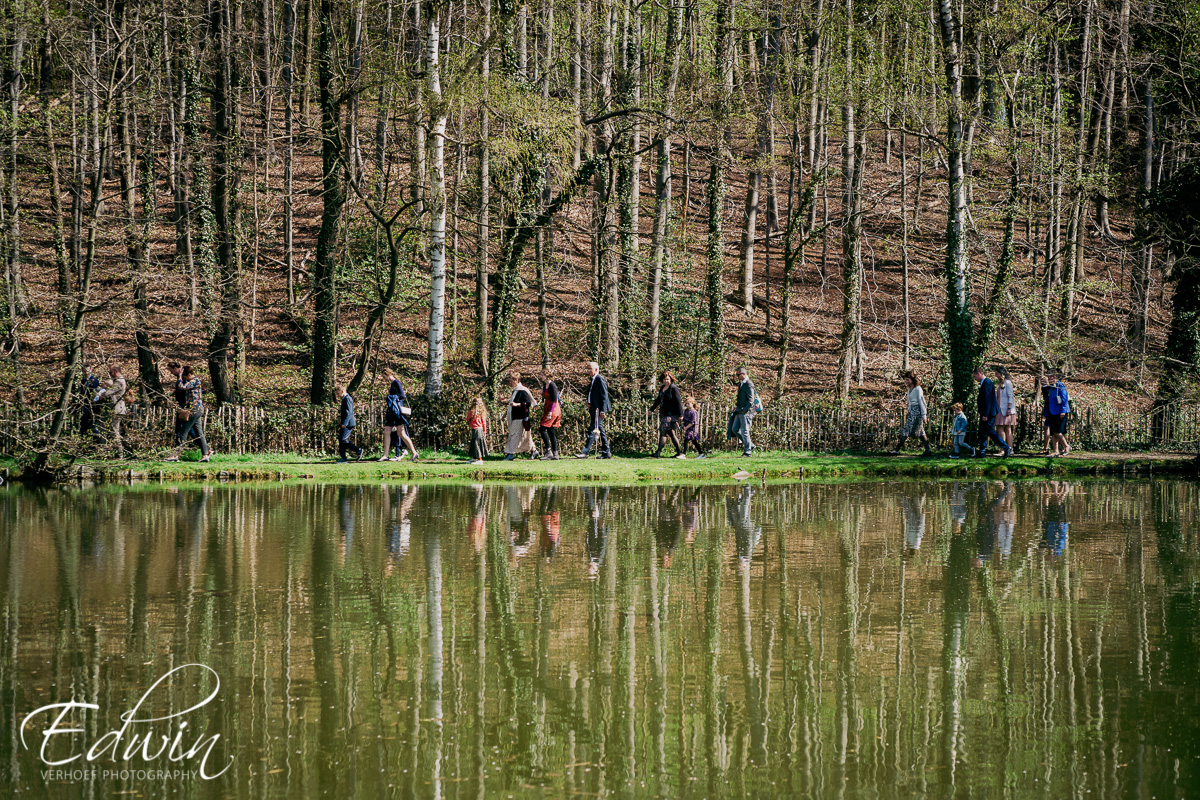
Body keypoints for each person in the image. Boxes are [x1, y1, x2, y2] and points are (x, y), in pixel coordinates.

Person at [166, 364, 211, 462]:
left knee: (183, 432)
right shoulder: (194, 381)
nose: (185, 378)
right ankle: (205, 454)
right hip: (197, 409)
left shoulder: (195, 381)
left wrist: (179, 376)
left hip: (194, 410)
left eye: (185, 377)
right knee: (199, 433)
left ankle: (175, 455)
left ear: (189, 375)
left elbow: (182, 387)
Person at [888, 370, 932, 456]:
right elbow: (909, 402)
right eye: (906, 379)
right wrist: (908, 411)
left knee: (907, 429)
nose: (906, 381)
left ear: (912, 379)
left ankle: (896, 449)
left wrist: (924, 415)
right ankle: (928, 450)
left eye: (908, 379)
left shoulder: (918, 389)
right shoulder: (909, 389)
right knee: (920, 431)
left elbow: (922, 402)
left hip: (917, 411)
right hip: (912, 410)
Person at [973, 366, 1013, 458]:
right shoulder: (986, 383)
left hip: (988, 413)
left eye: (975, 376)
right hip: (986, 412)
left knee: (990, 431)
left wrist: (985, 414)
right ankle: (982, 451)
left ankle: (1006, 447)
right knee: (982, 432)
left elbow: (988, 400)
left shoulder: (987, 383)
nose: (975, 379)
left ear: (978, 373)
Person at [381, 367, 418, 462]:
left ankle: (414, 453)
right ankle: (385, 455)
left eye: (384, 376)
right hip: (392, 411)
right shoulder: (392, 384)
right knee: (387, 432)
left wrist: (392, 397)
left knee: (401, 433)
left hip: (397, 412)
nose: (383, 378)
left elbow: (402, 395)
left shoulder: (396, 382)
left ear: (388, 374)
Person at [577, 361, 612, 459]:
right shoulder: (593, 379)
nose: (588, 371)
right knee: (600, 429)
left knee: (593, 429)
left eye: (590, 369)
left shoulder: (599, 379)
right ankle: (606, 452)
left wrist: (603, 410)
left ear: (596, 369)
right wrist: (588, 401)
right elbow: (591, 393)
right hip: (593, 407)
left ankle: (585, 452)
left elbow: (604, 395)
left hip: (598, 409)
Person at [649, 370, 685, 458]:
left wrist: (681, 415)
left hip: (671, 414)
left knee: (663, 432)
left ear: (671, 379)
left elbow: (678, 402)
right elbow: (658, 400)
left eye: (668, 379)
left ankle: (658, 452)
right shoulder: (662, 388)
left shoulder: (673, 388)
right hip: (664, 414)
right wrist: (652, 409)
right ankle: (679, 452)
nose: (666, 381)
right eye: (664, 379)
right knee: (671, 433)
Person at [503, 371, 538, 460]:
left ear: (516, 380)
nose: (510, 382)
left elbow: (528, 403)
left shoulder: (522, 391)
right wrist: (505, 414)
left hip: (521, 417)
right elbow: (510, 405)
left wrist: (517, 405)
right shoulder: (515, 391)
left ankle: (511, 453)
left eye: (511, 380)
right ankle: (533, 450)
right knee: (526, 436)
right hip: (515, 416)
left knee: (514, 435)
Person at [98, 364, 129, 455]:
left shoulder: (119, 381)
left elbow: (108, 393)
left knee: (114, 432)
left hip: (116, 410)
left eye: (110, 372)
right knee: (108, 430)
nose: (109, 374)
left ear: (115, 371)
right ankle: (107, 452)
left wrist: (103, 391)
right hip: (113, 409)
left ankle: (119, 454)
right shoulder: (117, 381)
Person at [728, 366, 757, 457]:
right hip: (739, 411)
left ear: (743, 374)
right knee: (735, 429)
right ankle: (750, 445)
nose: (737, 376)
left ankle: (747, 452)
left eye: (738, 374)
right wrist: (737, 408)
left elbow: (751, 400)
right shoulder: (742, 383)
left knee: (745, 431)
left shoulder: (748, 384)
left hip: (746, 412)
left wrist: (744, 410)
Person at [334, 385, 363, 462]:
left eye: (338, 393)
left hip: (348, 423)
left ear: (342, 391)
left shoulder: (347, 399)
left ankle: (358, 450)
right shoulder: (344, 399)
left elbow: (349, 412)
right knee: (341, 440)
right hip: (345, 423)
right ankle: (343, 458)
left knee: (343, 439)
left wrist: (345, 423)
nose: (338, 395)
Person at [1045, 372, 1071, 457]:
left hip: (1060, 412)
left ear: (1054, 377)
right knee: (1053, 432)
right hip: (1052, 411)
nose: (1048, 380)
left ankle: (1066, 446)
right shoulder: (1052, 387)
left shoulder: (1061, 386)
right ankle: (1055, 450)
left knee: (1058, 432)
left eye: (1050, 378)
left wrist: (1063, 411)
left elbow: (1064, 399)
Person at [538, 369, 562, 460]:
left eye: (542, 375)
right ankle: (555, 453)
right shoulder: (545, 385)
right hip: (547, 408)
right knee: (550, 429)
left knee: (542, 428)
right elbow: (545, 396)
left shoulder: (552, 385)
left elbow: (555, 400)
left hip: (553, 409)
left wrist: (550, 412)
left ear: (546, 375)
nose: (541, 377)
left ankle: (549, 451)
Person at [996, 366, 1017, 450]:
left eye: (997, 373)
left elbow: (1010, 396)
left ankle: (1005, 449)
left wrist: (1009, 408)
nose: (996, 375)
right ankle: (1007, 448)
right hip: (999, 407)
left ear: (1002, 374)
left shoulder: (1008, 383)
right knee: (1004, 428)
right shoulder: (1000, 383)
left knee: (1003, 428)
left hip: (1005, 408)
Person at [467, 397, 489, 465]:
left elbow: (467, 419)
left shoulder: (472, 412)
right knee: (477, 444)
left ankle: (480, 459)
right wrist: (485, 431)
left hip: (476, 430)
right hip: (480, 429)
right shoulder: (483, 412)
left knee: (476, 444)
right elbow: (484, 422)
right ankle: (475, 458)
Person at [1038, 375, 1053, 454]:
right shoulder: (1049, 388)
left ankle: (1047, 448)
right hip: (1049, 409)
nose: (1042, 382)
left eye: (1044, 380)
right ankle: (1046, 447)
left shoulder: (1047, 388)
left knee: (1048, 428)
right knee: (1047, 428)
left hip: (1050, 410)